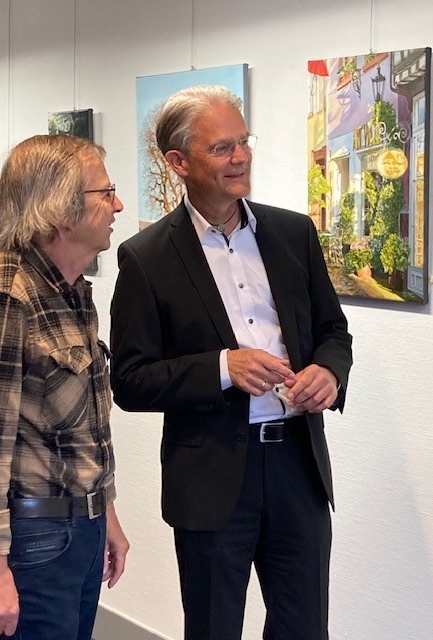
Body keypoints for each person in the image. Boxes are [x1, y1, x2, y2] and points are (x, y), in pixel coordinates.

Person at [110, 86, 353, 640]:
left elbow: (333, 331)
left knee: (304, 628)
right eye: (221, 148)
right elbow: (129, 380)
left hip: (298, 469)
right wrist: (223, 368)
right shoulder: (146, 258)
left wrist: (330, 372)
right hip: (212, 479)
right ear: (178, 162)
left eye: (244, 142)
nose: (240, 157)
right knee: (214, 628)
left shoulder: (293, 233)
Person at [0, 134, 129, 640]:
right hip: (35, 539)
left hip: (81, 528)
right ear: (62, 210)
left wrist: (106, 512)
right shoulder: (4, 293)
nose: (117, 204)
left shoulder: (71, 289)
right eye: (105, 192)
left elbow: (81, 433)